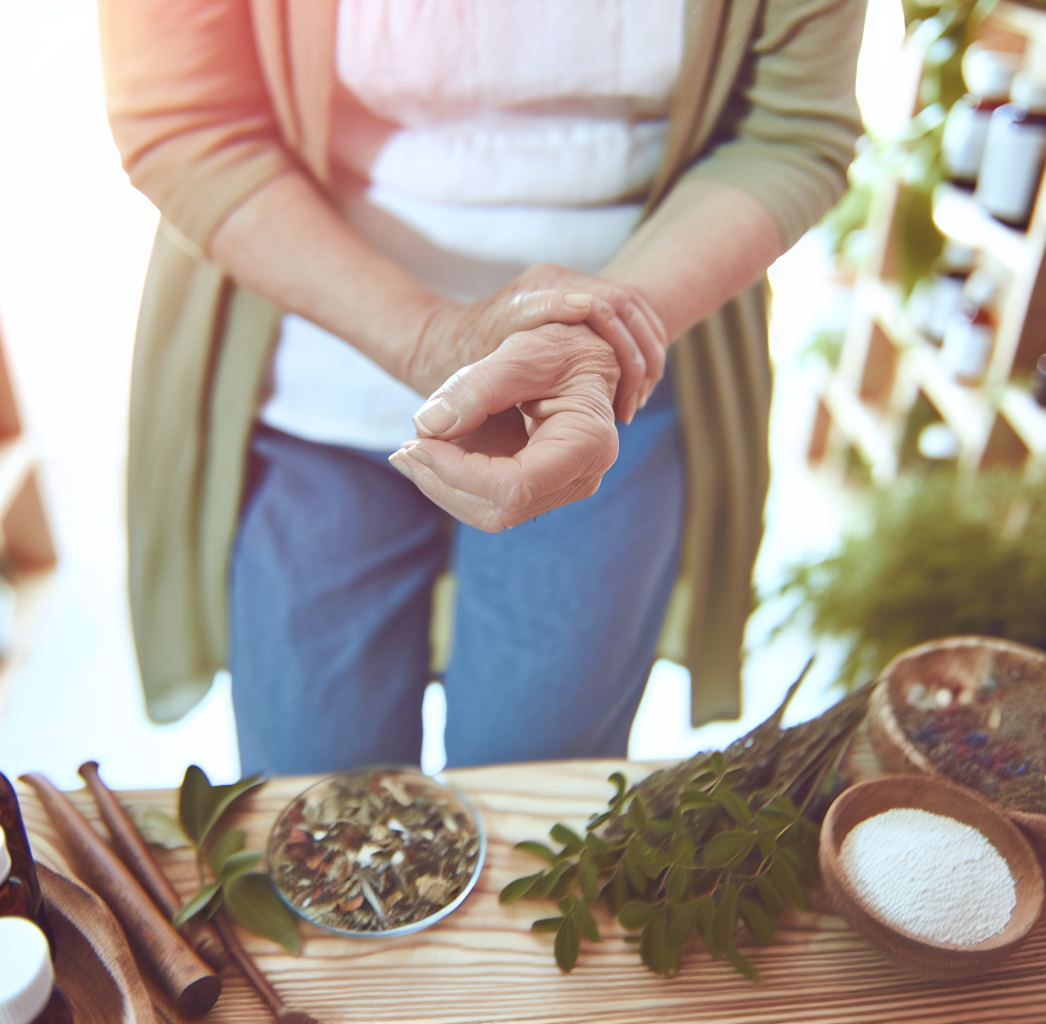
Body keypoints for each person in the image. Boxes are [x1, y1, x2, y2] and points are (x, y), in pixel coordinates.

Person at [101, 0, 862, 775]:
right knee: (312, 782)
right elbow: (186, 120)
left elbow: (790, 132)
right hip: (315, 363)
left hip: (613, 376)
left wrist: (598, 334)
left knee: (540, 774)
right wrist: (433, 337)